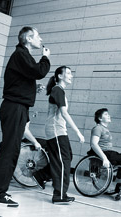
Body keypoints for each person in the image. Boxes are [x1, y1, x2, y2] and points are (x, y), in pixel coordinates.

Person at [0, 26, 50, 207]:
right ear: (29, 38)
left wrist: (33, 88)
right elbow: (39, 71)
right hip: (14, 107)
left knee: (12, 149)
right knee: (10, 150)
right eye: (38, 36)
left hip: (17, 107)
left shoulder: (23, 56)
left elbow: (24, 78)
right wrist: (45, 57)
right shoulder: (21, 54)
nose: (40, 39)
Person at [43, 66, 86, 204]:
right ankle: (59, 195)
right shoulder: (57, 90)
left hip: (58, 131)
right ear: (60, 76)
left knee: (67, 157)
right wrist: (78, 132)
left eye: (71, 73)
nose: (71, 76)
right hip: (56, 131)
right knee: (63, 161)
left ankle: (41, 175)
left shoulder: (59, 91)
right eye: (68, 73)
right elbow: (64, 113)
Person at [88, 108, 121, 196]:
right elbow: (93, 144)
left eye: (108, 114)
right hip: (103, 153)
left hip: (109, 152)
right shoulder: (98, 128)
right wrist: (104, 158)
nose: (109, 116)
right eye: (106, 114)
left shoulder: (105, 129)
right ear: (100, 118)